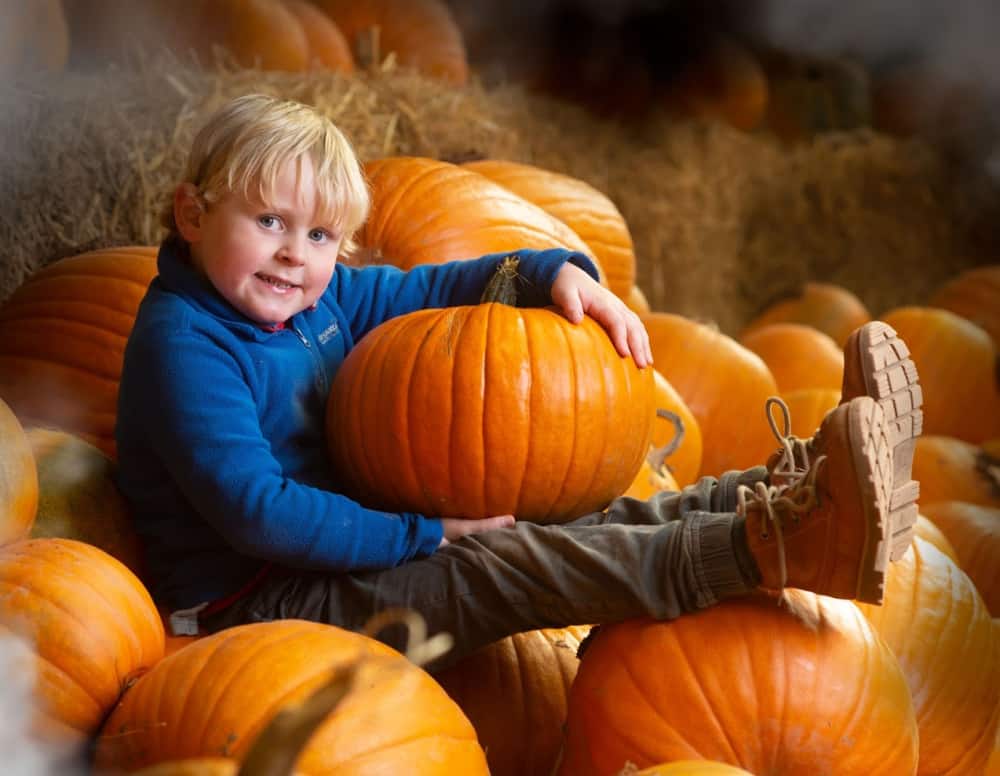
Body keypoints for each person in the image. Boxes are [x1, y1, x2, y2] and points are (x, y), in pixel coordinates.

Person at [115, 94, 923, 669]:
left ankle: (800, 484)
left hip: (344, 553)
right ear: (192, 214)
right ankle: (773, 546)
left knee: (571, 512)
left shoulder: (318, 297)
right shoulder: (186, 345)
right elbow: (260, 514)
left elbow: (429, 289)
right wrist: (425, 532)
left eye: (321, 234)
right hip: (259, 609)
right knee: (503, 563)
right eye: (269, 224)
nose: (296, 253)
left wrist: (548, 273)